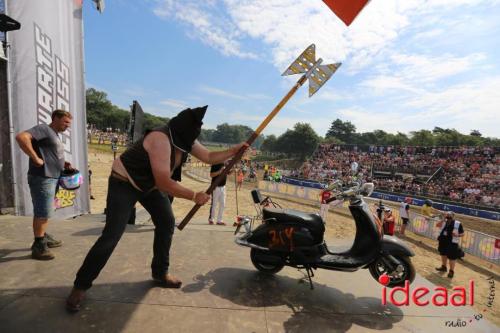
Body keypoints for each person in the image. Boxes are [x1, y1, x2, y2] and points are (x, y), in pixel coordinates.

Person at [66, 106, 247, 312]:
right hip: (124, 182)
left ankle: (160, 272)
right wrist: (194, 195)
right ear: (176, 130)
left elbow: (208, 156)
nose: (189, 145)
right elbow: (163, 182)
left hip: (149, 186)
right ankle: (80, 286)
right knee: (112, 235)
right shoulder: (160, 139)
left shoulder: (185, 136)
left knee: (166, 222)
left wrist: (234, 150)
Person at [15, 110, 74, 260]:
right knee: (43, 212)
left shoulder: (53, 134)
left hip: (51, 177)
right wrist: (35, 158)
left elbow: (49, 154)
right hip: (43, 178)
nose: (68, 125)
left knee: (44, 210)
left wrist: (63, 163)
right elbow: (21, 137)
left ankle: (43, 236)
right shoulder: (44, 129)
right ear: (55, 118)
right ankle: (38, 245)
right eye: (66, 122)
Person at [435, 211, 464, 278]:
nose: (448, 216)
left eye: (450, 215)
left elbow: (462, 233)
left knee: (452, 257)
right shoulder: (444, 221)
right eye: (447, 215)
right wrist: (443, 219)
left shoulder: (457, 223)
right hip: (443, 241)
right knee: (443, 254)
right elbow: (437, 225)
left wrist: (457, 235)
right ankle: (444, 267)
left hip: (452, 243)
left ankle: (451, 271)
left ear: (453, 216)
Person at [209, 161, 229, 225]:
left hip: (223, 187)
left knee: (223, 204)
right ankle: (211, 219)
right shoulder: (215, 164)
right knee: (214, 204)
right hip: (216, 187)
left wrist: (233, 171)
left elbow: (228, 173)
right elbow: (211, 175)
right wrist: (220, 171)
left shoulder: (225, 164)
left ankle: (219, 220)